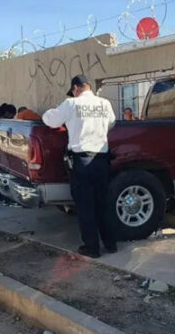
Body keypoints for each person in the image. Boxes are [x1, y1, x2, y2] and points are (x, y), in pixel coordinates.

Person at [42, 75, 117, 258]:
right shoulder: (104, 104)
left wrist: (48, 111)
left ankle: (92, 248)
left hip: (82, 161)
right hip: (101, 160)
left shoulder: (71, 104)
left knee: (85, 206)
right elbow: (111, 123)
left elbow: (51, 120)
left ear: (76, 88)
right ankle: (111, 244)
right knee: (102, 204)